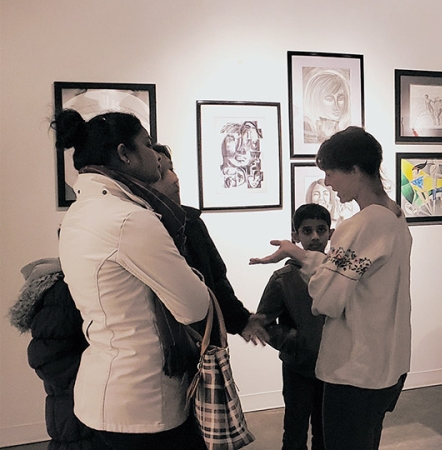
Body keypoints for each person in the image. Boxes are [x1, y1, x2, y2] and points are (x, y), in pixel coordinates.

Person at [53, 109, 211, 450]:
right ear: (125, 154)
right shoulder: (129, 219)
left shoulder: (80, 212)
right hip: (143, 400)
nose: (156, 155)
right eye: (147, 144)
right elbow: (194, 306)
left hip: (103, 386)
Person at [248, 126, 411, 450]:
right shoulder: (396, 216)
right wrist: (298, 253)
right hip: (386, 365)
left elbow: (327, 300)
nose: (327, 182)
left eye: (330, 172)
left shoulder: (359, 225)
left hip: (354, 369)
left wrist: (311, 269)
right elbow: (348, 276)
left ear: (354, 170)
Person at [151, 144, 262, 340]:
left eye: (172, 169)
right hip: (167, 345)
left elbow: (217, 279)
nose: (174, 179)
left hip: (206, 341)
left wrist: (241, 321)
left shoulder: (192, 223)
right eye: (161, 174)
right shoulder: (144, 230)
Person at [246, 203, 331, 450]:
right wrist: (293, 340)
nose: (315, 236)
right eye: (307, 231)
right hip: (298, 367)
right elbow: (263, 322)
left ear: (330, 233)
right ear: (295, 236)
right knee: (295, 429)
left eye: (321, 229)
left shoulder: (339, 274)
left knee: (325, 430)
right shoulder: (283, 279)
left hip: (334, 366)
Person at [9, 257, 112, 450]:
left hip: (77, 411)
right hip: (78, 412)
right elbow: (47, 356)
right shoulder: (63, 289)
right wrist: (93, 382)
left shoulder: (73, 283)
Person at [303, 68, 351, 143]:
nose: (336, 106)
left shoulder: (346, 129)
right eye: (329, 99)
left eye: (340, 98)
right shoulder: (307, 129)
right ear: (316, 101)